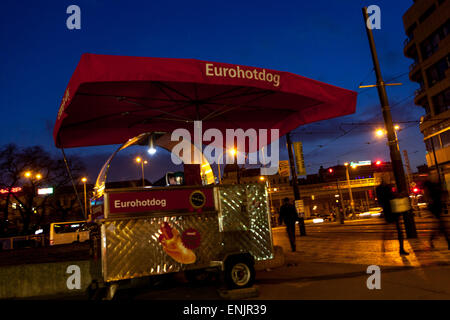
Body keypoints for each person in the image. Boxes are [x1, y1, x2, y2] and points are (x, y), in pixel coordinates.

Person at [376, 180, 409, 256]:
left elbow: (388, 197)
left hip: (391, 210)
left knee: (394, 230)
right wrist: (400, 195)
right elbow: (391, 196)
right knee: (397, 230)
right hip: (391, 210)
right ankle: (400, 249)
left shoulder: (380, 189)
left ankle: (386, 244)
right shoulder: (384, 189)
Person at [423, 180, 450, 250]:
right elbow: (443, 196)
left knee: (440, 226)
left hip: (435, 208)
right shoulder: (435, 190)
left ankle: (431, 241)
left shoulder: (431, 190)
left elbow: (430, 199)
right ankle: (447, 242)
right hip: (436, 208)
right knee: (442, 226)